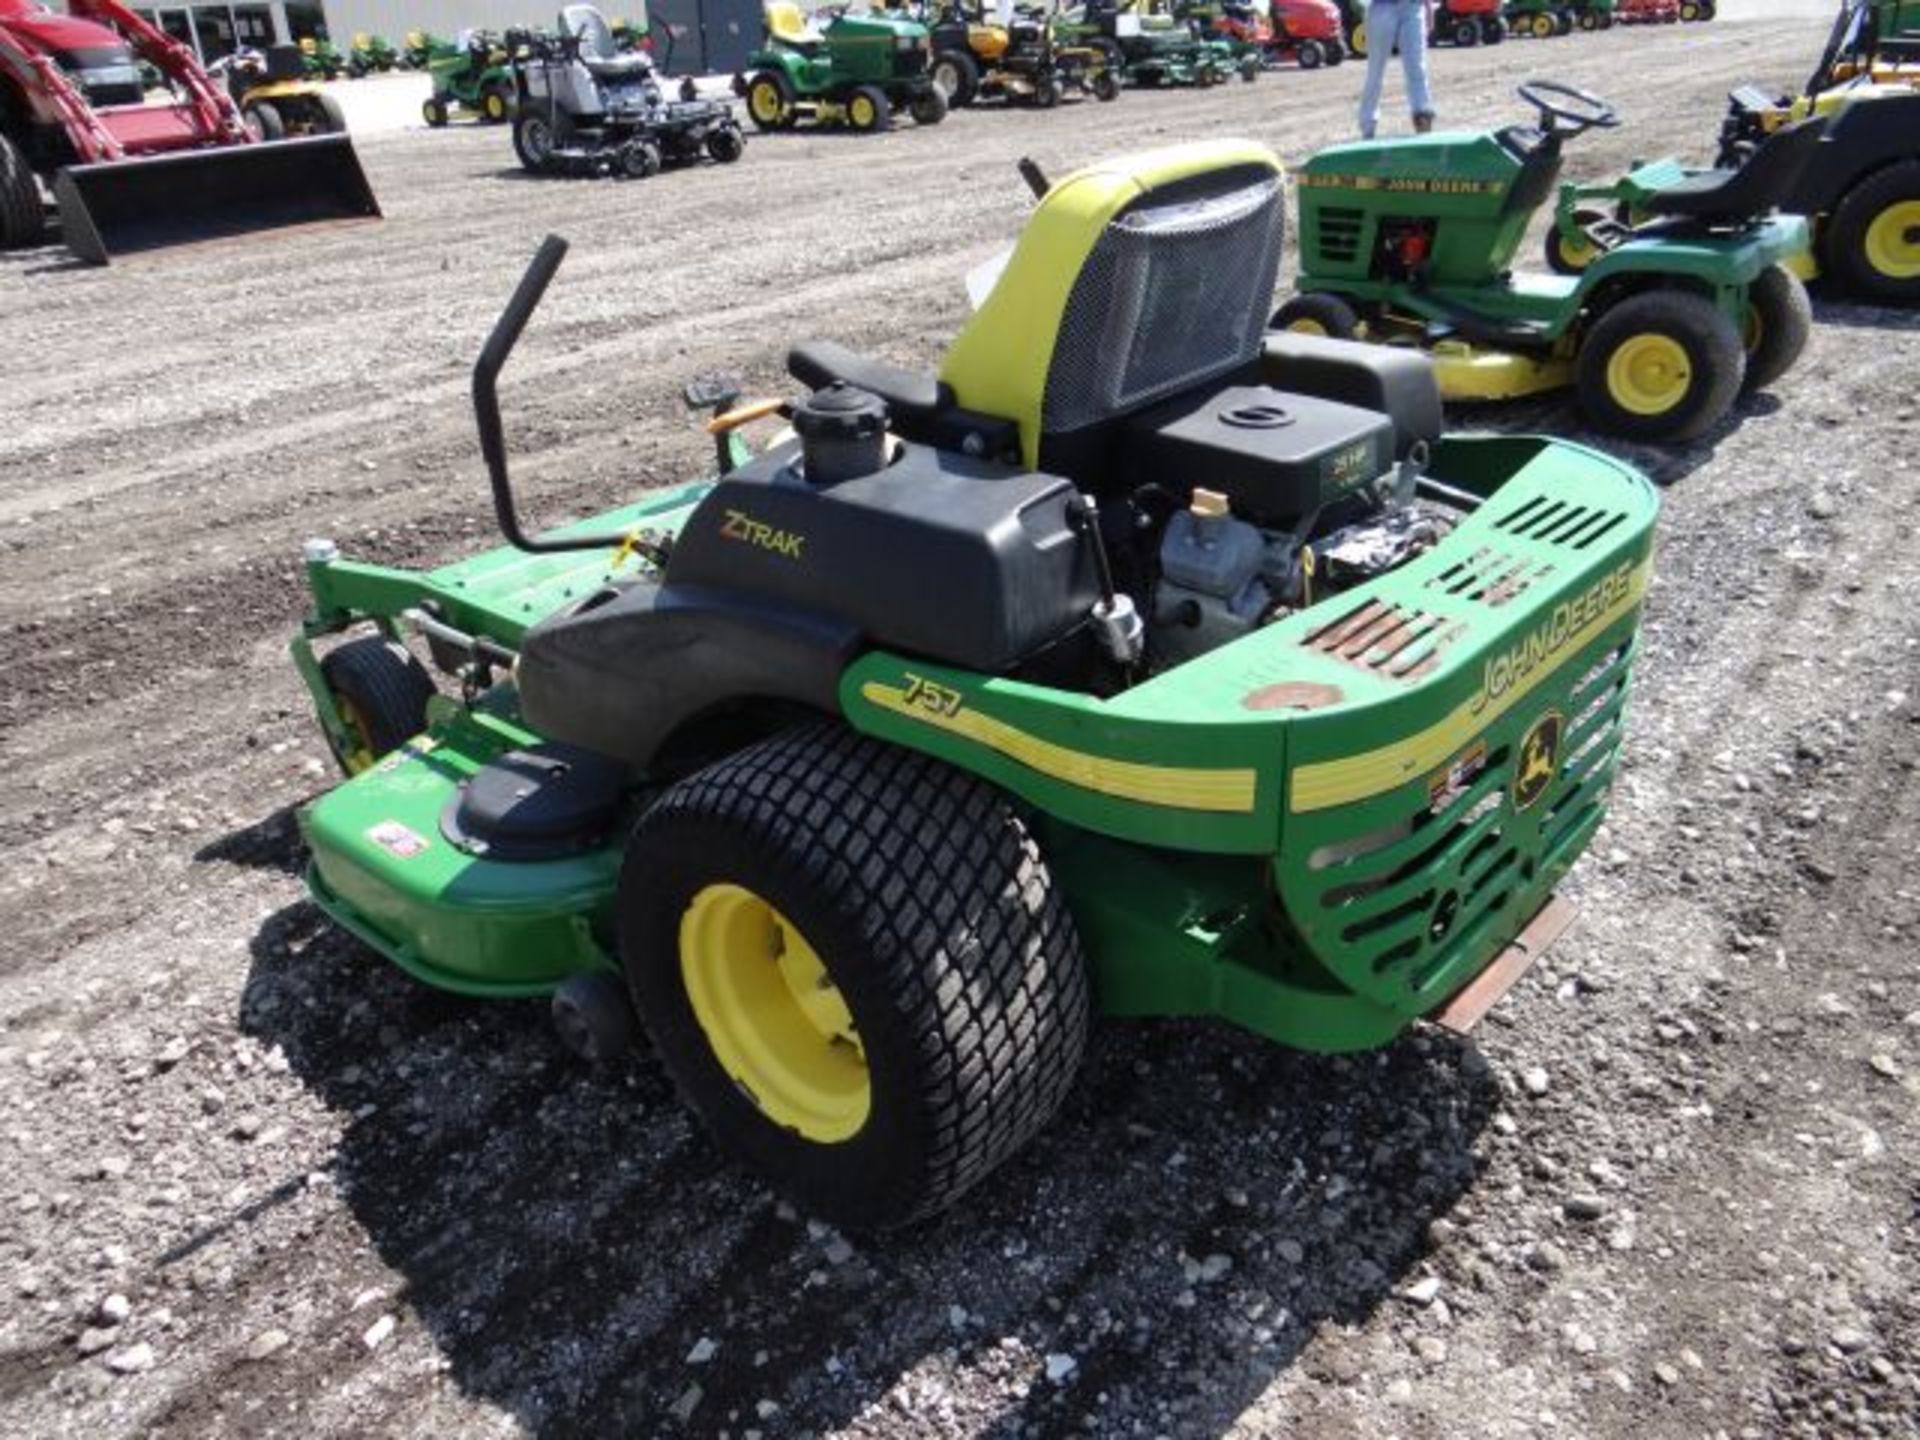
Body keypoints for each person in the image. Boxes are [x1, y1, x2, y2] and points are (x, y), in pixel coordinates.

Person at [1356, 0, 1434, 140]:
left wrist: (1428, 7)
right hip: (1382, 7)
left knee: (1417, 67)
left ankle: (1422, 116)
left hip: (1413, 6)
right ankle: (1368, 125)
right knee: (1376, 69)